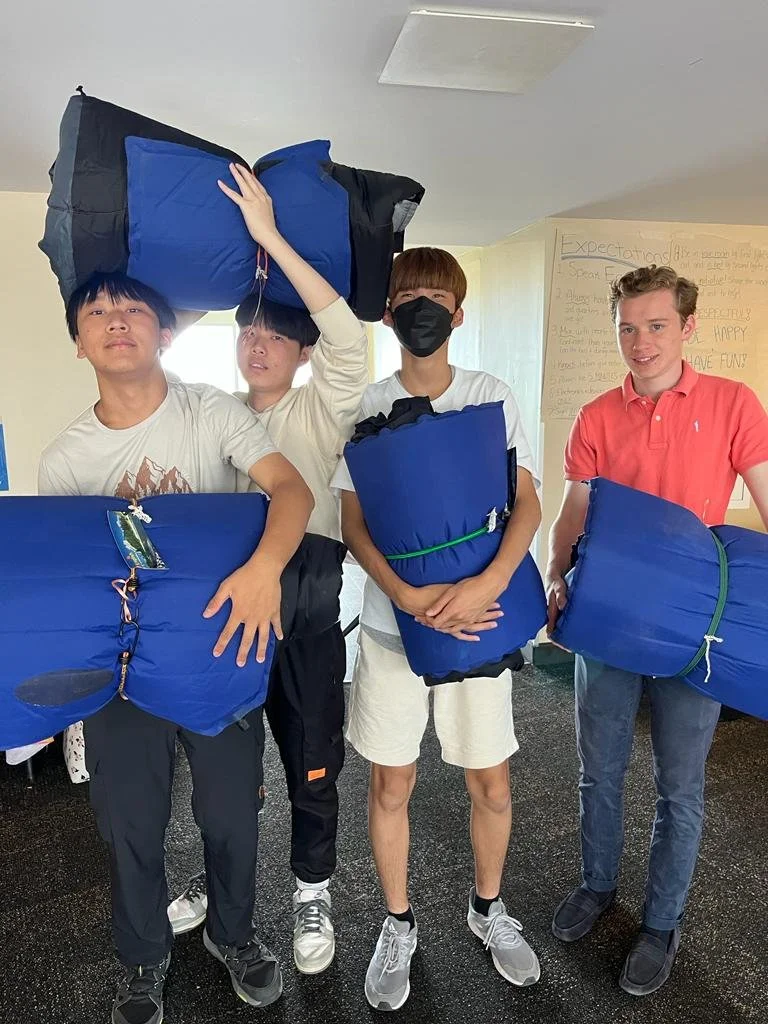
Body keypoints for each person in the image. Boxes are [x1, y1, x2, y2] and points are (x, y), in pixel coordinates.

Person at [39, 268, 314, 1024]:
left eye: (132, 309)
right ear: (78, 342)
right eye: (97, 312)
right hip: (122, 667)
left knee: (231, 814)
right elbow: (69, 576)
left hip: (217, 648)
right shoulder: (66, 458)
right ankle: (142, 956)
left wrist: (264, 570)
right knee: (129, 821)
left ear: (164, 334)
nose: (115, 320)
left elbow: (291, 491)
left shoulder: (210, 411)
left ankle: (234, 934)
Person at [546, 265, 768, 996]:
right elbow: (575, 511)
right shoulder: (595, 417)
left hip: (697, 627)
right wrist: (556, 578)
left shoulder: (734, 403)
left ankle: (661, 922)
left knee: (681, 786)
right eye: (628, 328)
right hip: (608, 617)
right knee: (598, 769)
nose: (640, 342)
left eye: (656, 326)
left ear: (687, 326)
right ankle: (597, 885)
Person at [168, 164, 368, 975]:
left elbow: (348, 338)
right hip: (230, 616)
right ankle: (224, 881)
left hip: (308, 613)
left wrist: (269, 238)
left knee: (312, 764)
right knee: (226, 774)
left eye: (276, 336)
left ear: (300, 351)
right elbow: (154, 345)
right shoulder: (208, 414)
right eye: (247, 333)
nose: (257, 345)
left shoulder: (322, 406)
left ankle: (312, 891)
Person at [332, 246, 543, 1011]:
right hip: (394, 630)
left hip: (482, 622)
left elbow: (527, 502)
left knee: (491, 781)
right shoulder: (364, 405)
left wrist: (488, 583)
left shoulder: (490, 395)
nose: (422, 306)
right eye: (408, 294)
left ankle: (488, 909)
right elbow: (353, 521)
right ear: (388, 312)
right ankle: (397, 924)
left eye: (436, 295)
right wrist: (403, 595)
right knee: (391, 782)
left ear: (458, 311)